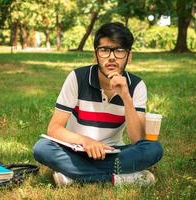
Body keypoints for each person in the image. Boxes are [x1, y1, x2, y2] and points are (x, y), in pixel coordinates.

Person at [33, 22, 163, 186]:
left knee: (153, 149)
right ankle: (122, 179)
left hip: (113, 152)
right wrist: (85, 141)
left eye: (119, 50)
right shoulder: (77, 78)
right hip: (77, 149)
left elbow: (138, 139)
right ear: (95, 55)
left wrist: (126, 97)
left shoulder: (137, 85)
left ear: (129, 56)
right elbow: (54, 129)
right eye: (104, 50)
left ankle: (73, 176)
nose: (112, 57)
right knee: (42, 148)